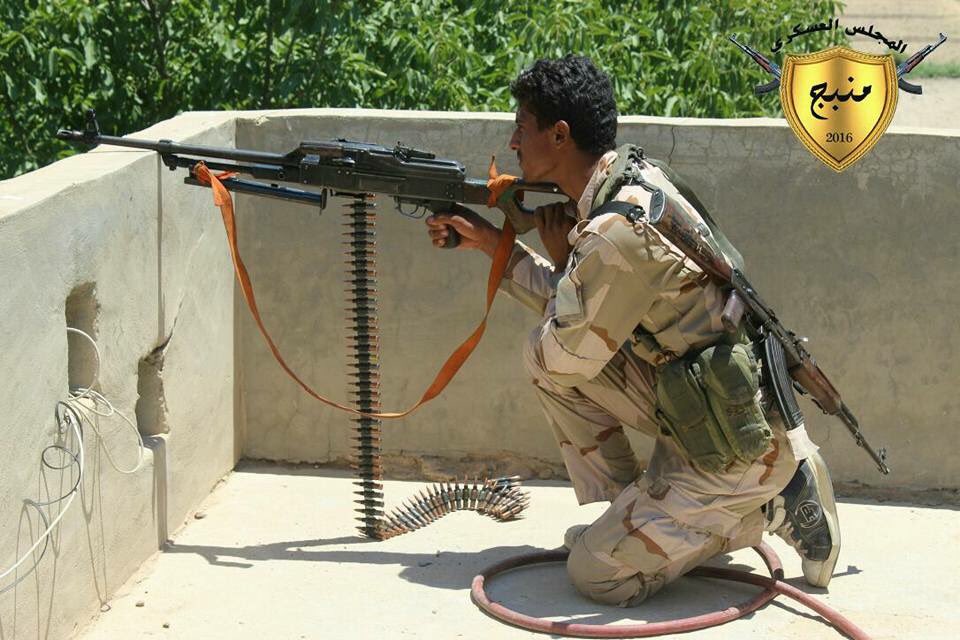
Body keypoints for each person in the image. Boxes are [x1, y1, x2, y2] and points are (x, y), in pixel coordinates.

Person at [425, 55, 840, 606]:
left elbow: (563, 353)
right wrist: (489, 242)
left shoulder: (610, 235)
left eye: (522, 127)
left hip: (736, 440)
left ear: (560, 134)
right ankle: (643, 513)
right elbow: (586, 318)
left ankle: (768, 501)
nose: (514, 140)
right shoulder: (634, 180)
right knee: (549, 358)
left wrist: (564, 261)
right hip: (708, 394)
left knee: (595, 575)